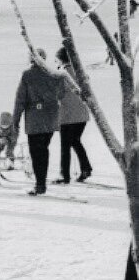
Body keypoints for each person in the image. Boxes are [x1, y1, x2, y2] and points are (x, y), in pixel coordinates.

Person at [11, 48, 65, 195]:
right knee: (44, 150)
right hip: (51, 117)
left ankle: (40, 184)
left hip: (35, 118)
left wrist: (15, 120)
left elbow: (20, 99)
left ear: (31, 59)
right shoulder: (54, 74)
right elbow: (62, 93)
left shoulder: (27, 75)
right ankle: (41, 182)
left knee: (36, 152)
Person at [53, 46, 92, 184]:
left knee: (65, 146)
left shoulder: (62, 74)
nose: (55, 62)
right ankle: (86, 168)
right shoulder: (79, 72)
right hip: (82, 115)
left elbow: (57, 95)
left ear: (61, 60)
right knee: (75, 141)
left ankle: (65, 175)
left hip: (68, 116)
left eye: (56, 60)